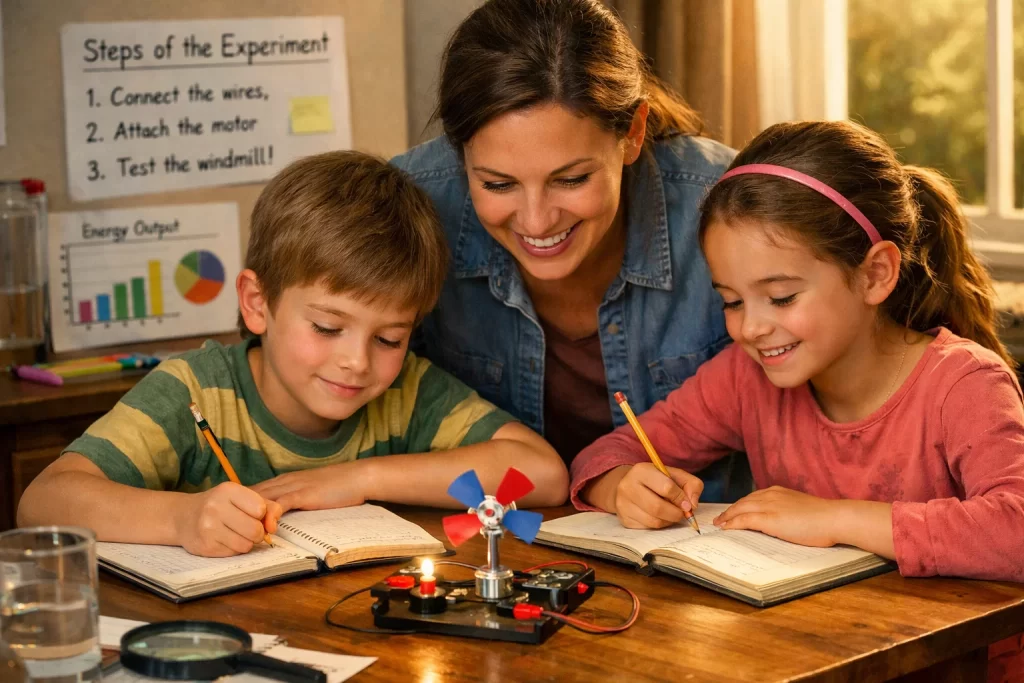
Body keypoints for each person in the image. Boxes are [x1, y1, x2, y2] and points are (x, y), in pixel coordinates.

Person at [571, 120, 1024, 681]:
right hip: (809, 660)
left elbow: (1016, 531)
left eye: (781, 297)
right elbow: (604, 453)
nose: (752, 328)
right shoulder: (745, 377)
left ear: (875, 274)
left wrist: (834, 519)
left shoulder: (964, 384)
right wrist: (621, 487)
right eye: (732, 301)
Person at [18, 151, 568, 557]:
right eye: (328, 327)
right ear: (258, 304)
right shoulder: (195, 391)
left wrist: (359, 478)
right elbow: (44, 501)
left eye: (389, 339)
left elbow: (543, 473)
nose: (357, 361)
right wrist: (182, 518)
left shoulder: (408, 391)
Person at [391, 0, 751, 502]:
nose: (537, 221)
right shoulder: (409, 206)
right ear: (458, 152)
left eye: (571, 179)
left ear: (632, 133)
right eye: (497, 184)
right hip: (485, 547)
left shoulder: (731, 209)